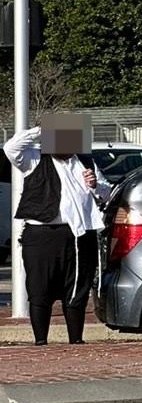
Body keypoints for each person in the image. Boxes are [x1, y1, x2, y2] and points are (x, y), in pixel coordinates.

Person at [4, 125, 112, 346]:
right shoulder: (34, 159)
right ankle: (41, 341)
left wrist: (95, 185)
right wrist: (43, 129)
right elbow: (10, 147)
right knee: (39, 288)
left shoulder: (85, 162)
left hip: (79, 235)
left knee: (77, 289)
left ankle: (76, 339)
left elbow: (106, 193)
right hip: (42, 235)